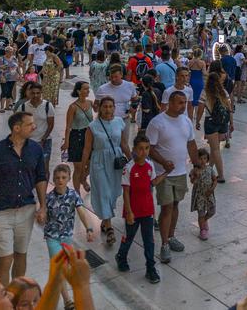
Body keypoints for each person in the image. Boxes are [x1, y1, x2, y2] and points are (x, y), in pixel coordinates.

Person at [0, 111, 48, 285]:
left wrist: (43, 206)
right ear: (16, 128)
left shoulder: (36, 149)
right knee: (5, 260)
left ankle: (17, 294)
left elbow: (40, 178)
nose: (34, 127)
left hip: (26, 210)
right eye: (29, 124)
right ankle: (1, 297)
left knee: (21, 255)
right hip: (1, 213)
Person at [146, 90, 198, 264]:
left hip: (180, 172)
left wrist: (196, 166)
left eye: (185, 102)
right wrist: (163, 162)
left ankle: (171, 235)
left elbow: (191, 144)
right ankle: (164, 244)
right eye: (180, 102)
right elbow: (149, 148)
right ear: (170, 103)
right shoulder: (157, 122)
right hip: (164, 174)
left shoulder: (186, 121)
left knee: (175, 204)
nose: (183, 106)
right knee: (167, 207)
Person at [117, 134, 167, 283]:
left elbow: (153, 182)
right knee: (129, 237)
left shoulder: (150, 165)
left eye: (147, 148)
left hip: (147, 210)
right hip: (133, 211)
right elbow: (126, 192)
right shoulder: (129, 168)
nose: (144, 152)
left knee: (149, 241)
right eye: (140, 149)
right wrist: (129, 212)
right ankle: (121, 256)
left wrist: (166, 173)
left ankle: (150, 268)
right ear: (134, 150)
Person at [44, 164, 95, 309]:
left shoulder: (73, 195)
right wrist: (40, 216)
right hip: (52, 238)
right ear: (54, 179)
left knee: (67, 269)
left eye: (63, 177)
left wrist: (89, 228)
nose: (60, 180)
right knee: (59, 269)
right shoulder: (49, 198)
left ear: (68, 179)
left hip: (67, 238)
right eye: (57, 178)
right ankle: (68, 301)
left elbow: (81, 212)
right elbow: (43, 215)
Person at [82, 96, 130, 247]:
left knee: (114, 192)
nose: (108, 109)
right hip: (99, 162)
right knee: (104, 193)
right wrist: (83, 170)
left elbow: (124, 144)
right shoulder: (92, 126)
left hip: (116, 162)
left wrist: (132, 161)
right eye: (105, 107)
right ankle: (109, 228)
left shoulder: (119, 122)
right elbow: (87, 149)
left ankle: (105, 220)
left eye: (110, 106)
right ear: (100, 108)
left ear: (114, 108)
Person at [199, 71, 231, 182]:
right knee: (214, 149)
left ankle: (221, 176)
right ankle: (209, 169)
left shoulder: (205, 92)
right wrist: (231, 123)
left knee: (215, 149)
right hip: (223, 123)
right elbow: (229, 109)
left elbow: (201, 107)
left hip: (211, 122)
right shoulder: (224, 92)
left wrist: (197, 121)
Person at [62, 81, 94, 193]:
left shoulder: (90, 103)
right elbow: (68, 126)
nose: (88, 91)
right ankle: (77, 192)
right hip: (76, 136)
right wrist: (66, 142)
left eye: (88, 88)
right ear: (79, 91)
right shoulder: (73, 107)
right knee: (78, 167)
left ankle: (83, 179)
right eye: (85, 89)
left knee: (90, 163)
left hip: (89, 135)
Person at [21, 81, 55, 177]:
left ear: (41, 93)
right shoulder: (23, 107)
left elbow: (51, 125)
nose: (35, 95)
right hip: (28, 142)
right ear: (29, 93)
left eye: (38, 93)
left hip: (45, 141)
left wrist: (43, 139)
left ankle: (44, 185)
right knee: (29, 167)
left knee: (44, 167)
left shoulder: (48, 106)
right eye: (33, 93)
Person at [189, 147, 217, 240]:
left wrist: (212, 189)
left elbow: (215, 180)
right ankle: (202, 230)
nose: (202, 161)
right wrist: (195, 176)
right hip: (199, 196)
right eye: (200, 159)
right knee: (201, 213)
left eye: (204, 158)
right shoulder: (194, 171)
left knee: (212, 210)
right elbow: (192, 181)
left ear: (207, 159)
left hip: (209, 194)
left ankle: (204, 220)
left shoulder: (210, 169)